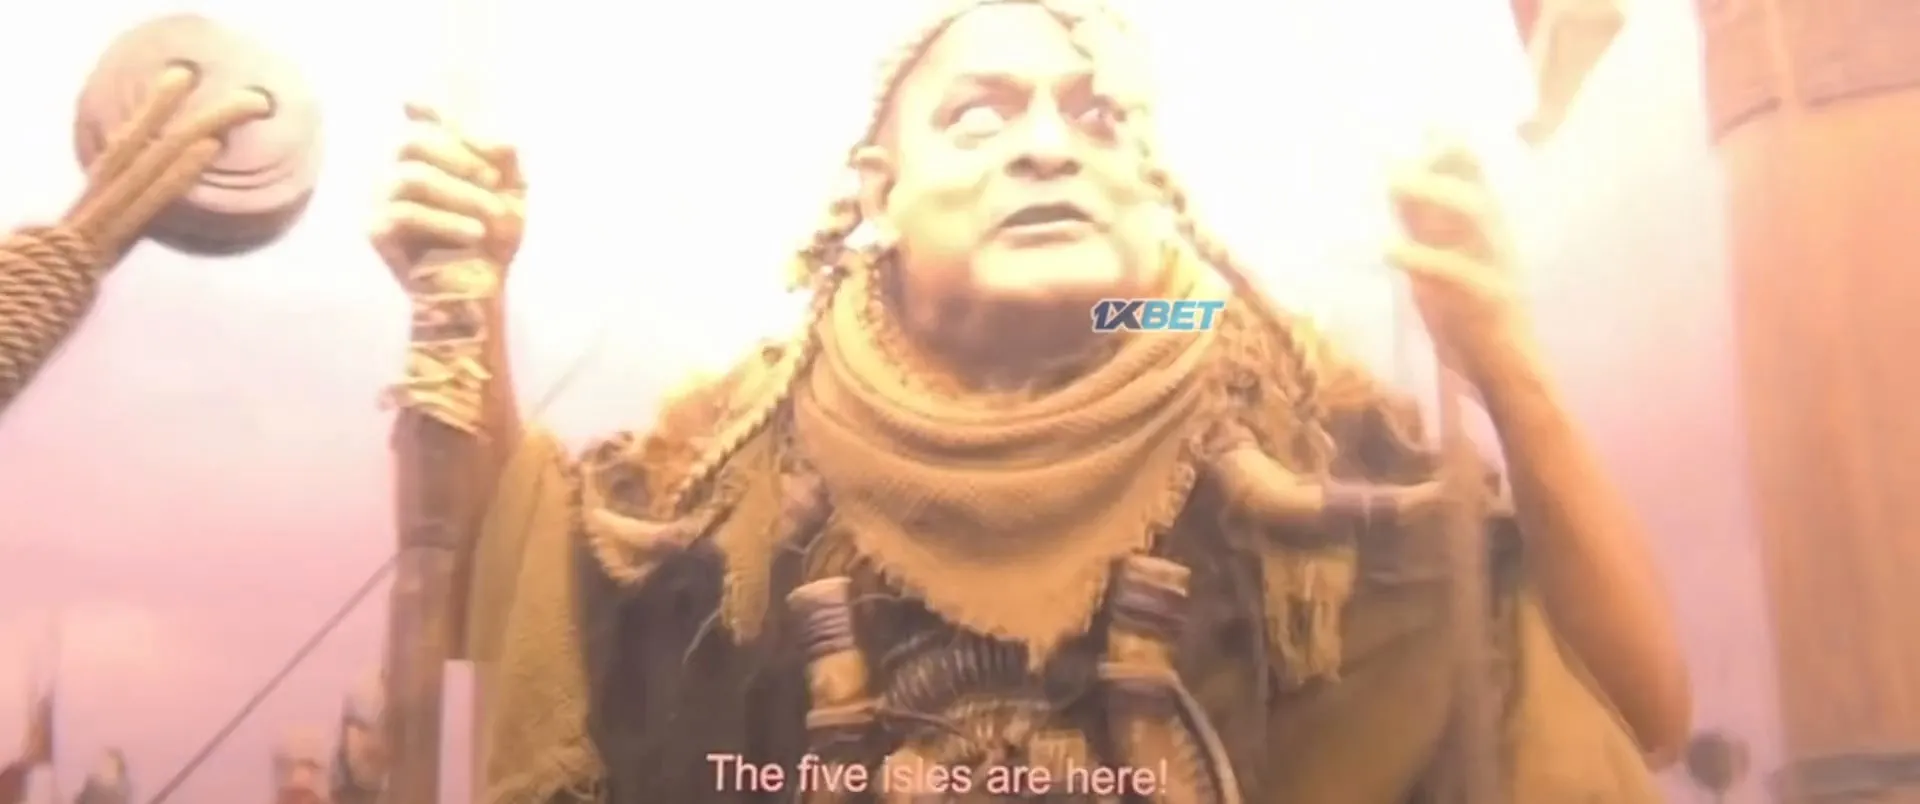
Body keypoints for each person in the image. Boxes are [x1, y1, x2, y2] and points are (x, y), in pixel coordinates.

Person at [370, 1, 1691, 801]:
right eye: (979, 118)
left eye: (1097, 116)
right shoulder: (739, 463)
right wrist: (465, 307)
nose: (1048, 146)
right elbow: (501, 606)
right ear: (878, 194)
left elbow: (1641, 709)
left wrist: (1505, 364)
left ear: (1151, 179)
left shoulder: (1288, 422)